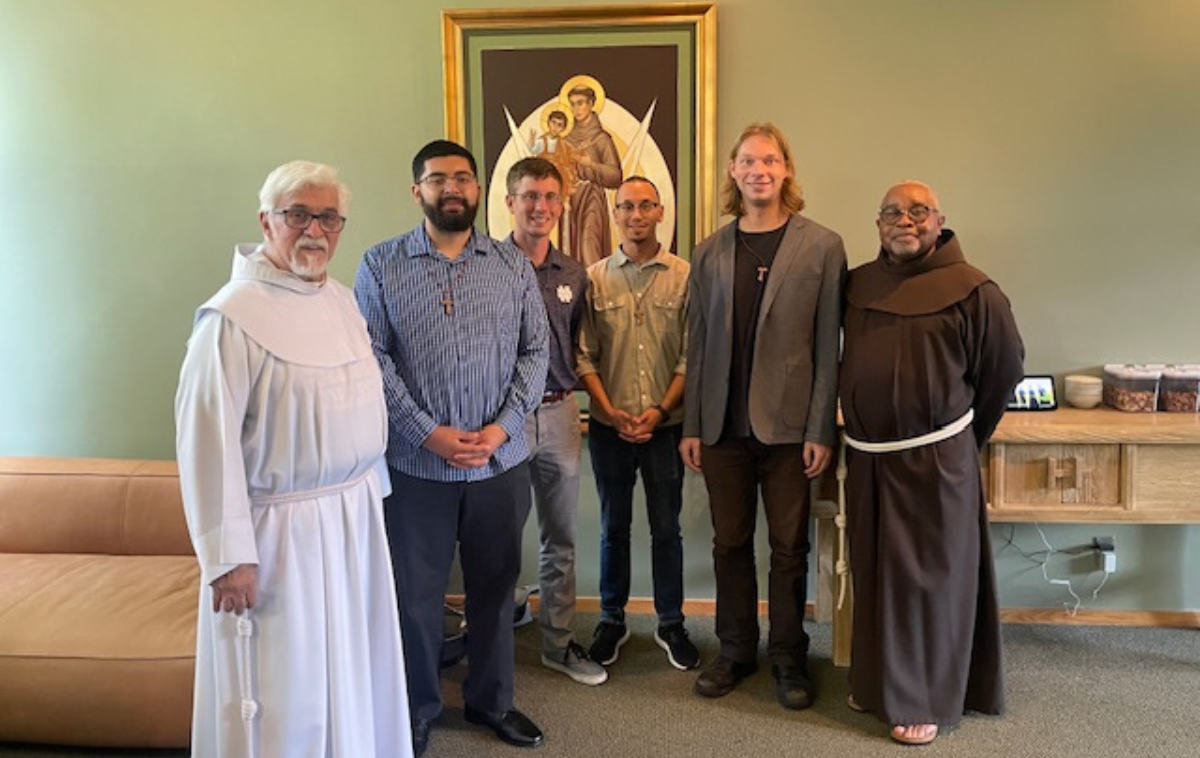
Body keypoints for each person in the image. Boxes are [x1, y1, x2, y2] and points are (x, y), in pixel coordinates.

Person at [175, 160, 411, 757]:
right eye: (298, 214)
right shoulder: (230, 319)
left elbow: (362, 406)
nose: (315, 229)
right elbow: (206, 444)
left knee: (356, 667)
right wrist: (228, 558)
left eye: (328, 216)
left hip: (352, 520)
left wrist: (372, 498)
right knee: (290, 689)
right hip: (278, 537)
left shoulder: (339, 299)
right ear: (266, 221)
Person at [355, 140, 549, 755]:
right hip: (416, 466)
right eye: (439, 180)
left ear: (479, 188)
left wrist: (502, 428)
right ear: (418, 191)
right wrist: (426, 432)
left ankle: (492, 702)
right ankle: (416, 707)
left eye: (464, 178)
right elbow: (372, 358)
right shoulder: (380, 264)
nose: (453, 189)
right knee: (416, 595)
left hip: (499, 462)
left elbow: (535, 352)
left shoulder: (512, 264)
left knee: (496, 588)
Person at [840, 181, 1024, 745]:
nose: (905, 220)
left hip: (937, 459)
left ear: (939, 219)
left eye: (918, 211)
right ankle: (875, 683)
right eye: (892, 212)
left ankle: (923, 697)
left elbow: (1002, 372)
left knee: (929, 582)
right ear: (878, 225)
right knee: (874, 571)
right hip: (869, 458)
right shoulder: (858, 284)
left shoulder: (974, 290)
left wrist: (956, 441)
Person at [680, 123, 846, 710]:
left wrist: (820, 429)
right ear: (733, 171)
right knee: (728, 545)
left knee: (787, 549)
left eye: (769, 160)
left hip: (790, 432)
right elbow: (696, 344)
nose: (759, 170)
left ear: (785, 171)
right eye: (748, 160)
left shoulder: (822, 246)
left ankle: (788, 657)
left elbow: (830, 347)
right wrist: (693, 425)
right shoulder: (710, 250)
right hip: (723, 428)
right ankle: (735, 650)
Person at [576, 176, 699, 673]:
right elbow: (584, 355)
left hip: (665, 427)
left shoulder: (686, 276)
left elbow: (693, 354)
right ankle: (611, 619)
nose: (635, 215)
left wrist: (657, 411)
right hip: (609, 427)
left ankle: (671, 622)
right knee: (613, 528)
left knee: (667, 529)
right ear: (615, 213)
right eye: (626, 206)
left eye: (645, 206)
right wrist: (609, 412)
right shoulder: (594, 278)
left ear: (660, 212)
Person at [502, 157, 606, 687]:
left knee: (560, 536)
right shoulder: (488, 266)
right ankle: (494, 644)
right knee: (497, 535)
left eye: (548, 197)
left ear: (561, 206)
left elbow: (582, 348)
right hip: (505, 419)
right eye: (529, 196)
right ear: (510, 203)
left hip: (562, 412)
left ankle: (558, 643)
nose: (539, 206)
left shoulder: (574, 273)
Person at [562, 85, 622, 266]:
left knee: (589, 244)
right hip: (571, 199)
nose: (576, 109)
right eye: (572, 104)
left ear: (592, 104)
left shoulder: (601, 139)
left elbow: (616, 176)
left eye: (581, 103)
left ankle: (595, 290)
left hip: (592, 198)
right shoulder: (566, 139)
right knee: (572, 250)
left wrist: (591, 165)